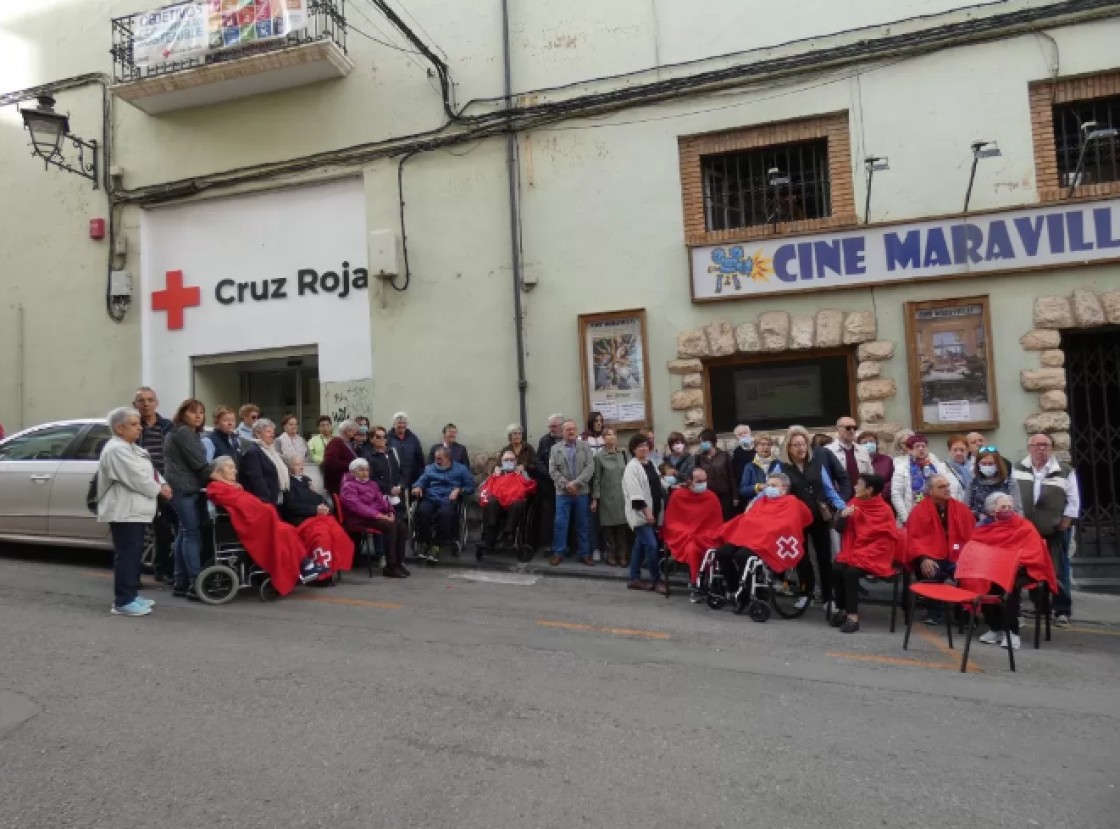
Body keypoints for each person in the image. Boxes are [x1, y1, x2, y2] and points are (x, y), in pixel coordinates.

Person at [207, 458, 337, 590]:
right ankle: (305, 567)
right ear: (218, 472)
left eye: (234, 467)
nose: (235, 470)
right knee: (285, 531)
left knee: (288, 530)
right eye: (230, 467)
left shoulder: (230, 486)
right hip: (249, 525)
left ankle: (306, 566)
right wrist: (266, 509)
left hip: (258, 521)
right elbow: (246, 505)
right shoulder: (216, 487)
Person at [97, 406, 171, 617]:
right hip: (124, 511)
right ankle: (123, 601)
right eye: (134, 424)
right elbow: (137, 478)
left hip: (135, 510)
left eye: (138, 424)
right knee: (127, 555)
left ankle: (130, 595)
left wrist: (163, 484)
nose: (139, 428)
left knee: (134, 554)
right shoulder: (116, 449)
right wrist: (160, 490)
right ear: (119, 428)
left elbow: (151, 470)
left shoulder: (132, 448)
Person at [970, 492, 1058, 650]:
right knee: (982, 583)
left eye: (1010, 507)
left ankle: (1012, 632)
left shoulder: (1025, 526)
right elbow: (976, 549)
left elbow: (1034, 552)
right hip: (994, 569)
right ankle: (995, 628)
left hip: (1023, 570)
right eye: (1002, 507)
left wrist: (1014, 562)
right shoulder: (985, 528)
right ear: (992, 511)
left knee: (1010, 586)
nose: (1007, 510)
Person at [1013, 432, 1080, 627]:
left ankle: (1062, 610)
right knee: (1028, 568)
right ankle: (1040, 606)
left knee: (1058, 569)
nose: (1041, 448)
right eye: (1036, 445)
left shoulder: (1064, 471)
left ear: (1051, 448)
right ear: (1029, 448)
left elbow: (1073, 499)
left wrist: (1066, 522)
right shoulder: (1017, 468)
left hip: (1055, 528)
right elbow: (1011, 494)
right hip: (1026, 530)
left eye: (1045, 445)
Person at [714, 472, 814, 599]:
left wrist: (767, 530)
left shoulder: (792, 502)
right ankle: (734, 588)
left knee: (742, 556)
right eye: (768, 485)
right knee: (722, 552)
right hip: (747, 538)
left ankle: (752, 593)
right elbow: (749, 519)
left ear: (784, 488)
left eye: (773, 485)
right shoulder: (761, 501)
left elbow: (794, 522)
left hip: (767, 542)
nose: (769, 488)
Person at [779, 425, 846, 609]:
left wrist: (842, 507)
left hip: (818, 515)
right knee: (801, 557)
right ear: (789, 448)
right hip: (796, 518)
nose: (801, 448)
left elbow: (829, 489)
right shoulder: (782, 467)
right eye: (796, 445)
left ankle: (827, 597)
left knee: (824, 556)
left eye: (803, 444)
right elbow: (775, 490)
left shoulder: (817, 463)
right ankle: (805, 593)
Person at [829, 473, 903, 633]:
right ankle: (842, 610)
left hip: (876, 552)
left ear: (869, 490)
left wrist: (865, 550)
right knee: (837, 567)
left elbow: (886, 538)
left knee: (850, 572)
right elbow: (840, 529)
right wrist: (843, 516)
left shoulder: (884, 509)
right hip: (855, 548)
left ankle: (853, 617)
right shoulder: (854, 503)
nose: (855, 487)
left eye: (859, 484)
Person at [902, 474, 975, 625]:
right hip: (931, 556)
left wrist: (966, 559)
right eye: (941, 487)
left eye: (947, 486)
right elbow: (913, 538)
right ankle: (934, 612)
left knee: (969, 573)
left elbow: (972, 537)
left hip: (958, 556)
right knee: (930, 570)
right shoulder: (918, 511)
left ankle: (965, 614)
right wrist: (923, 558)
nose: (947, 489)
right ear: (930, 491)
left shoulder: (962, 510)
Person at [163, 398, 213, 600]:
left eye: (201, 412)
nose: (198, 416)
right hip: (183, 488)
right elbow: (200, 464)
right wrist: (224, 479)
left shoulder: (189, 433)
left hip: (186, 487)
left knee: (184, 533)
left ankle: (180, 581)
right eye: (193, 412)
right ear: (183, 414)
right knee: (192, 533)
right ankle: (196, 581)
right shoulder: (183, 432)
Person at [133, 386, 175, 586]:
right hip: (139, 485)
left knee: (164, 531)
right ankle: (134, 575)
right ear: (135, 405)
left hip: (164, 484)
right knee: (136, 533)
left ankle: (163, 570)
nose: (146, 404)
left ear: (156, 403)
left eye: (150, 400)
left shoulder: (167, 426)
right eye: (142, 400)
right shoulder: (131, 426)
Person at [341, 458, 405, 577]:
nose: (365, 473)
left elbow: (382, 500)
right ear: (353, 472)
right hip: (358, 519)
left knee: (401, 525)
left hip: (375, 516)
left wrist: (390, 511)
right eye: (361, 470)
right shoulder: (348, 487)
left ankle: (398, 562)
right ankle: (390, 566)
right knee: (390, 526)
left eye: (367, 470)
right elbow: (358, 507)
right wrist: (381, 516)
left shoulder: (372, 484)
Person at [411, 446, 475, 562]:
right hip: (431, 497)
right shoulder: (430, 469)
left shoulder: (461, 469)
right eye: (436, 458)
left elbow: (470, 487)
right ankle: (425, 542)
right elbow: (420, 482)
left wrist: (459, 490)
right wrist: (417, 487)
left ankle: (437, 544)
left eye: (440, 459)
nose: (437, 461)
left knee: (444, 515)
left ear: (448, 459)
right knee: (422, 512)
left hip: (449, 499)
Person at [662, 468, 723, 586]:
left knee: (709, 548)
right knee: (692, 548)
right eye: (699, 481)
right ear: (689, 481)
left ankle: (708, 581)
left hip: (706, 534)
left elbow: (717, 523)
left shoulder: (711, 497)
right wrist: (688, 532)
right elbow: (672, 522)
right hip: (686, 535)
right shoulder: (677, 495)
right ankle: (696, 582)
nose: (703, 484)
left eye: (705, 480)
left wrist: (706, 533)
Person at [548, 419, 596, 566]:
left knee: (583, 523)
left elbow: (590, 467)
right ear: (562, 432)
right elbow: (552, 470)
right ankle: (558, 552)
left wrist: (576, 483)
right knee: (560, 523)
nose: (571, 431)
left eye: (573, 429)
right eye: (567, 429)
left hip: (581, 491)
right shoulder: (555, 449)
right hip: (563, 493)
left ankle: (584, 553)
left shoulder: (585, 447)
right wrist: (566, 485)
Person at [623, 434, 664, 593]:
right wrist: (648, 513)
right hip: (641, 514)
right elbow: (636, 495)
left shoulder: (650, 463)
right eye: (640, 446)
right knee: (652, 546)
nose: (644, 448)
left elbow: (659, 483)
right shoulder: (631, 468)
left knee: (640, 546)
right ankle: (657, 580)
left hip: (653, 511)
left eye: (646, 445)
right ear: (633, 449)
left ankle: (634, 578)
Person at [477, 450, 536, 561]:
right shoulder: (496, 472)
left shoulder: (521, 473)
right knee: (492, 502)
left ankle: (507, 533)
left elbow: (530, 486)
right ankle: (491, 534)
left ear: (516, 461)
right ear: (501, 462)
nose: (509, 462)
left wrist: (523, 474)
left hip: (514, 506)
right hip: (497, 506)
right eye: (506, 460)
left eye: (511, 460)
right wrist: (494, 475)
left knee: (517, 504)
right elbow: (482, 488)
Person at [891, 433, 961, 526]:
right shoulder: (902, 468)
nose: (921, 449)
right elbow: (896, 495)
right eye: (917, 446)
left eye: (923, 446)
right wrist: (906, 519)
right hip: (913, 514)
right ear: (909, 450)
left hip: (938, 512)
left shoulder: (937, 465)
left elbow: (952, 484)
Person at [366, 425, 408, 567]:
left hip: (395, 496)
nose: (382, 439)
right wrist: (388, 489)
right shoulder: (369, 456)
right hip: (379, 497)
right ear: (371, 439)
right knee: (383, 526)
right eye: (378, 437)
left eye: (384, 436)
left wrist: (400, 486)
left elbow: (402, 472)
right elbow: (371, 479)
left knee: (400, 525)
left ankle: (398, 558)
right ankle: (381, 555)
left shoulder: (391, 453)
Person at [591, 427, 630, 567]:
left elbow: (630, 474)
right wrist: (595, 499)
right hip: (606, 497)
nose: (611, 437)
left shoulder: (624, 454)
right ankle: (611, 554)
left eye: (613, 435)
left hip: (622, 496)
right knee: (608, 528)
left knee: (622, 527)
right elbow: (596, 479)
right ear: (603, 438)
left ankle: (623, 554)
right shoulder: (599, 457)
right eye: (607, 435)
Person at [239, 418, 289, 509]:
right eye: (268, 432)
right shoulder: (253, 452)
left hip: (276, 498)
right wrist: (266, 501)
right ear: (258, 434)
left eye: (273, 432)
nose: (272, 435)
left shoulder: (271, 450)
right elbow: (257, 480)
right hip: (264, 501)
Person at [967, 445, 1023, 520]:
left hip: (1006, 525)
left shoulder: (1009, 482)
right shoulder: (973, 483)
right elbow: (966, 509)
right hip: (980, 526)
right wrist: (978, 515)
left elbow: (1017, 510)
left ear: (998, 464)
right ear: (978, 465)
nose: (987, 467)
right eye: (983, 464)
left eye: (990, 464)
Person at [534, 414, 565, 550]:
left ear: (561, 426)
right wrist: (550, 475)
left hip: (565, 486)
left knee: (563, 518)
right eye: (550, 426)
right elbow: (538, 461)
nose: (551, 429)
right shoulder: (544, 441)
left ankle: (564, 545)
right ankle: (548, 545)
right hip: (548, 487)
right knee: (548, 517)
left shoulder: (567, 440)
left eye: (554, 426)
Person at [826, 416, 872, 502]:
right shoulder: (828, 451)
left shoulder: (863, 450)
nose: (852, 431)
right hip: (839, 498)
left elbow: (870, 474)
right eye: (848, 428)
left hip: (862, 498)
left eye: (855, 428)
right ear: (838, 429)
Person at [696, 428, 735, 520]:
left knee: (726, 519)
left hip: (724, 494)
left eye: (702, 441)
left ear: (710, 441)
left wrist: (735, 496)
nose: (701, 444)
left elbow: (732, 476)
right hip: (708, 494)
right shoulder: (699, 457)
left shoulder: (724, 455)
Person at [282, 457, 333, 524]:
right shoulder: (288, 483)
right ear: (289, 467)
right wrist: (315, 509)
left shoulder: (306, 480)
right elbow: (292, 506)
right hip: (302, 519)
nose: (301, 467)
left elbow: (315, 497)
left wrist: (324, 505)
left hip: (316, 515)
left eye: (302, 464)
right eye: (297, 465)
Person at [739, 433, 781, 508]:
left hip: (775, 504)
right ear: (756, 447)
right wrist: (758, 487)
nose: (766, 447)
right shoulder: (749, 467)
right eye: (762, 444)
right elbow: (743, 490)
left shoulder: (778, 464)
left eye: (768, 444)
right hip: (756, 506)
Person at [856, 430, 894, 508]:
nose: (868, 444)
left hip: (884, 500)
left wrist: (880, 493)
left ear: (876, 444)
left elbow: (892, 480)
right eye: (865, 443)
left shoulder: (887, 460)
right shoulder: (856, 460)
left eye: (871, 441)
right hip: (862, 501)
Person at [388, 412, 425, 490]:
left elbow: (419, 459)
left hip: (411, 477)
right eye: (399, 423)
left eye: (404, 423)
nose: (402, 425)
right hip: (393, 479)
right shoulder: (388, 438)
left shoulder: (413, 438)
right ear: (394, 424)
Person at [322, 419, 359, 495]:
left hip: (347, 485)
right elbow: (329, 462)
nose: (356, 433)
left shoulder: (346, 443)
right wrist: (351, 465)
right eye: (355, 431)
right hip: (339, 485)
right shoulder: (335, 443)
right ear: (348, 431)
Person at [729, 424, 756, 511]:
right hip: (743, 490)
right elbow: (735, 474)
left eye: (745, 432)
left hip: (759, 488)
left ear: (750, 433)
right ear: (737, 438)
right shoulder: (737, 452)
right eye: (740, 434)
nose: (743, 435)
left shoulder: (758, 448)